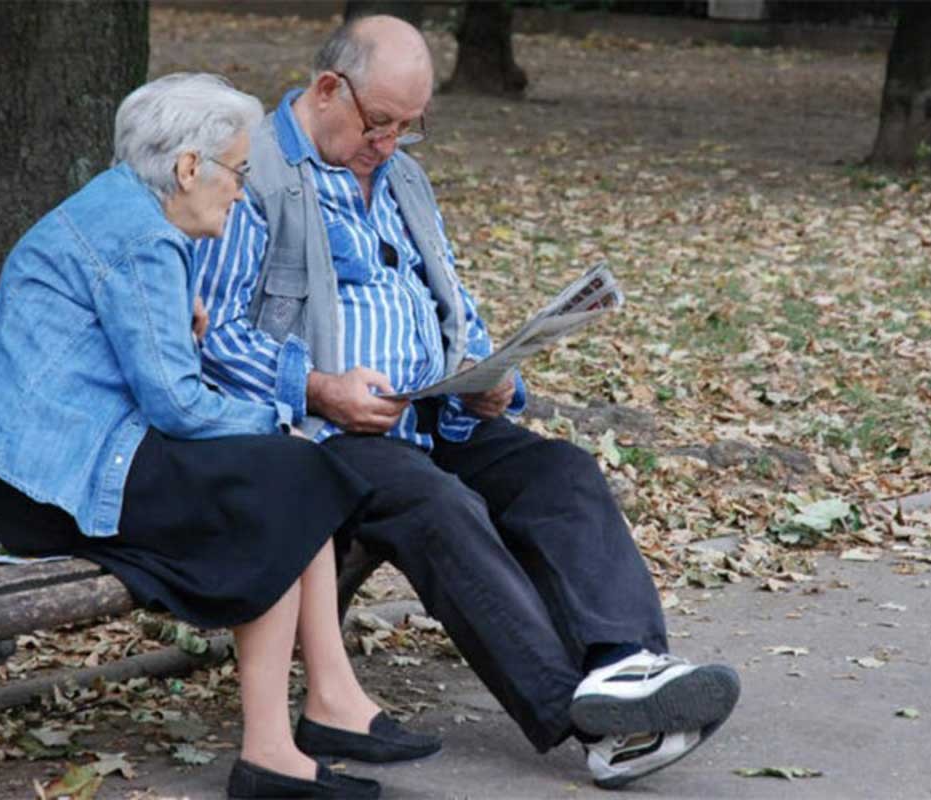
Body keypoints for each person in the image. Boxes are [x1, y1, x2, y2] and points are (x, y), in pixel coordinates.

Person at [194, 16, 741, 790]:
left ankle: (629, 669)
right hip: (323, 436)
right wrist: (319, 387)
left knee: (560, 473)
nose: (389, 145)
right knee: (439, 506)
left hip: (432, 414)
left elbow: (448, 298)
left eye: (407, 128)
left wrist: (491, 374)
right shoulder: (257, 176)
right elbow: (210, 337)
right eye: (378, 124)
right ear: (326, 90)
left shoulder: (401, 176)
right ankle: (584, 720)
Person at [0, 72, 440, 800]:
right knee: (287, 473)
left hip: (62, 461)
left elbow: (136, 369)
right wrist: (280, 420)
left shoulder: (124, 211)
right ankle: (274, 751)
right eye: (235, 170)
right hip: (51, 486)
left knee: (293, 477)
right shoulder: (143, 237)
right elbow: (177, 406)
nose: (240, 189)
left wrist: (188, 341)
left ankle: (325, 705)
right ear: (188, 167)